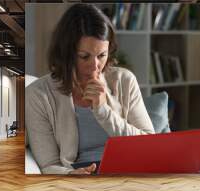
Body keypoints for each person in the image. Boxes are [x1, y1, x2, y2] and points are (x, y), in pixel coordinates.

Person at [25, 4, 155, 175]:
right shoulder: (38, 94)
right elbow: (49, 164)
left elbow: (150, 144)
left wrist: (103, 112)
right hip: (84, 176)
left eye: (102, 55)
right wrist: (70, 174)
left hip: (132, 169)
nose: (95, 66)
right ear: (66, 54)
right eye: (84, 56)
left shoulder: (124, 80)